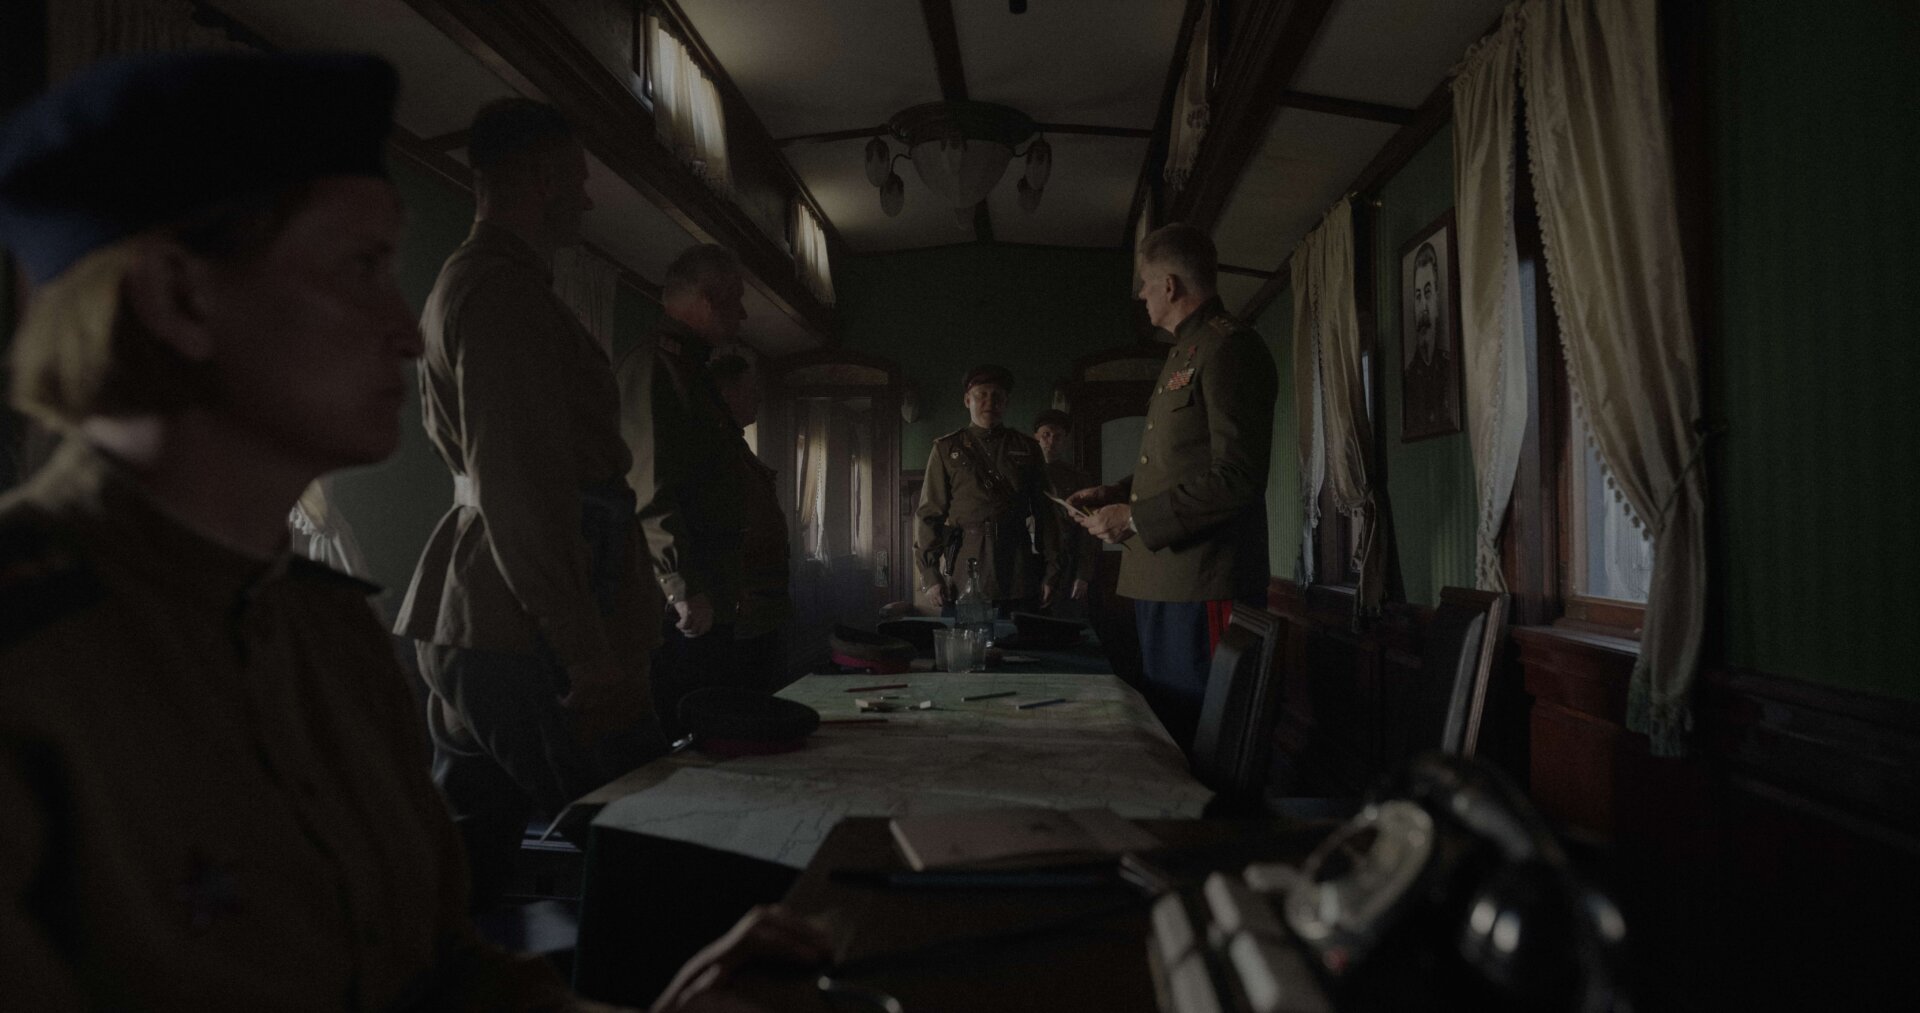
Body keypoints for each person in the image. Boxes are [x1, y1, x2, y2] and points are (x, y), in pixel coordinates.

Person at [0, 50, 824, 1011]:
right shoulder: (31, 654)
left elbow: (440, 973)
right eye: (360, 268)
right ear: (180, 298)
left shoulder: (330, 635)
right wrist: (585, 645)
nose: (403, 328)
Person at [394, 97, 662, 904]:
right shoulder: (501, 292)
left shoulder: (490, 283)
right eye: (577, 178)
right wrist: (584, 649)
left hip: (487, 616)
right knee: (649, 842)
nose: (587, 197)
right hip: (522, 626)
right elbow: (519, 483)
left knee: (472, 872)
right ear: (541, 179)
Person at [1070, 223, 1277, 749]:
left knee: (1206, 736)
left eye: (1145, 283)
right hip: (1166, 580)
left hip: (1204, 583)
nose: (1141, 295)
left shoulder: (1229, 348)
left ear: (1169, 285)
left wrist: (1134, 518)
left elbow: (1237, 478)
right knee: (1172, 729)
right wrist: (1116, 493)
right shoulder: (1188, 351)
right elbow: (1178, 463)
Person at [616, 245, 751, 727]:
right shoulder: (659, 366)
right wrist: (681, 585)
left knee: (714, 727)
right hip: (682, 604)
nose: (743, 313)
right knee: (687, 732)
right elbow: (649, 487)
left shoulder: (692, 370)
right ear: (707, 301)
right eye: (736, 300)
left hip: (707, 591)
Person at [915, 365, 1059, 615]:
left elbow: (1046, 513)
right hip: (964, 567)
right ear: (967, 400)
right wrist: (930, 574)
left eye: (997, 396)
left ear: (1006, 402)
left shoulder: (1027, 447)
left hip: (1017, 568)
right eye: (981, 394)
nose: (990, 402)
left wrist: (1051, 571)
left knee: (1020, 637)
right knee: (964, 638)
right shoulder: (946, 449)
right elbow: (929, 514)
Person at [710, 354, 792, 691]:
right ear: (726, 392)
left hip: (762, 597)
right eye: (750, 388)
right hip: (743, 598)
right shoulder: (713, 445)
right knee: (746, 691)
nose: (758, 396)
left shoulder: (735, 444)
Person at [1032, 408, 1099, 617]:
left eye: (1058, 436)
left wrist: (1083, 574)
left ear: (1065, 441)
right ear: (1036, 437)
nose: (1051, 441)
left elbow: (1088, 529)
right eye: (1046, 435)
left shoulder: (1078, 478)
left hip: (1067, 565)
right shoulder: (1023, 474)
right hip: (1030, 564)